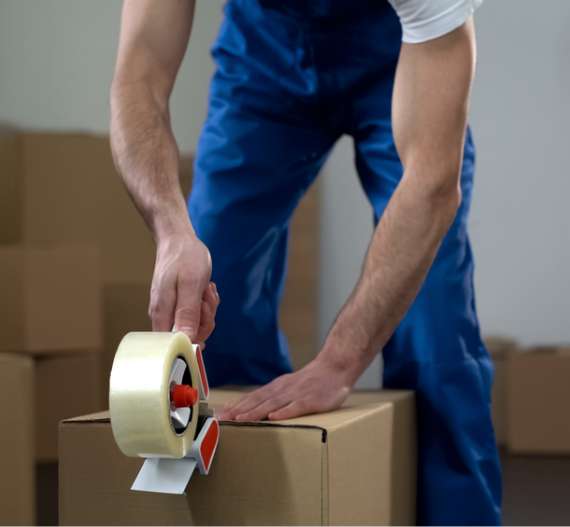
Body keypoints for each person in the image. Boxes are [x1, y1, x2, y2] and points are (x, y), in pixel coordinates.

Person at [110, 0, 501, 523]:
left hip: (399, 57)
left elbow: (431, 186)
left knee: (434, 327)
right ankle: (261, 506)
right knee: (209, 308)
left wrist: (339, 363)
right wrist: (170, 229)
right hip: (263, 59)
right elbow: (138, 79)